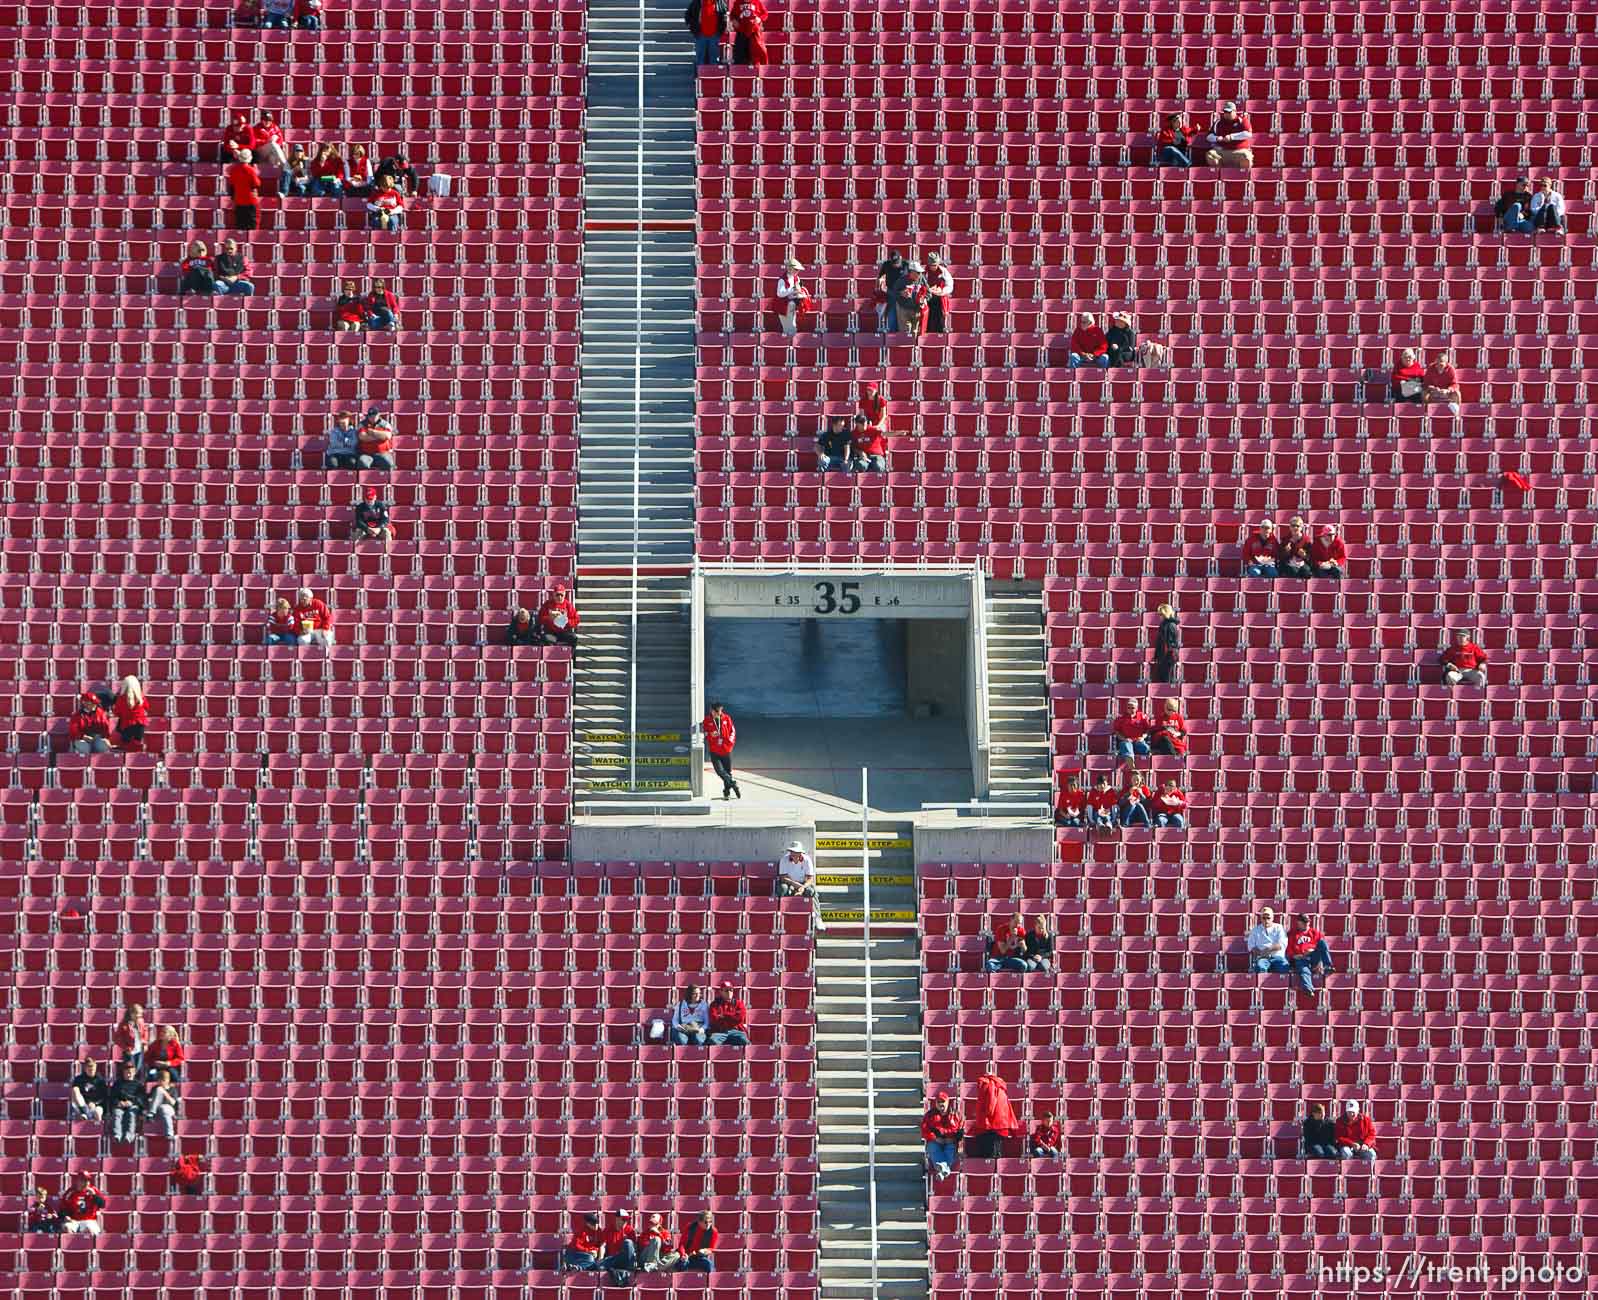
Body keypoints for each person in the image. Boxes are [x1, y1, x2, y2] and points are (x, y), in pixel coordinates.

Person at [966, 1072, 1020, 1159]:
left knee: (990, 1154)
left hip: (993, 1125)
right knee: (997, 1151)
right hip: (1002, 1124)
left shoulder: (987, 1085)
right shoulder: (999, 1086)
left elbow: (990, 1104)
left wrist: (983, 1115)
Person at [1286, 911, 1335, 996]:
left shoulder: (1315, 933)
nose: (1307, 924)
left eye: (1308, 922)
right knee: (1304, 969)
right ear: (1298, 922)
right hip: (1300, 958)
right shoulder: (1292, 933)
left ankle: (1328, 966)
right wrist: (1294, 956)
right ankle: (1308, 989)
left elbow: (1322, 948)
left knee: (1322, 943)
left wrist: (1314, 953)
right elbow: (1288, 948)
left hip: (1313, 957)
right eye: (1304, 922)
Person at [702, 702, 740, 800]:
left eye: (720, 711)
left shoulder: (726, 718)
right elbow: (703, 733)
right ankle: (733, 784)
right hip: (715, 751)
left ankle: (726, 793)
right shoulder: (707, 720)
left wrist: (730, 745)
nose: (719, 713)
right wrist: (710, 734)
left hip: (726, 750)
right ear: (712, 710)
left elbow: (733, 731)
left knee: (727, 772)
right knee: (719, 771)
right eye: (717, 711)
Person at [922, 1091, 963, 1180]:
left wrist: (952, 1139)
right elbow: (925, 1130)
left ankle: (942, 1170)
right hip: (936, 1142)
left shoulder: (956, 1115)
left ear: (948, 1102)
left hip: (950, 1142)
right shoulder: (929, 1115)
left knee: (950, 1149)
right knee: (932, 1147)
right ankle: (945, 1170)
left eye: (943, 1102)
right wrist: (935, 1138)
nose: (941, 1104)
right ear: (935, 1103)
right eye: (938, 1102)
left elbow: (960, 1131)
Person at [1202, 100, 1253, 167]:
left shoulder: (1242, 121)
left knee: (1246, 157)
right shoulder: (1219, 122)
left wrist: (1232, 137)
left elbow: (1248, 134)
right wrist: (1217, 138)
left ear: (1235, 111)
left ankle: (1242, 175)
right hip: (1223, 151)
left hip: (1239, 151)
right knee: (1210, 154)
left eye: (1229, 112)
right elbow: (1209, 136)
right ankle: (1219, 173)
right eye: (1225, 112)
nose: (1227, 114)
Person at [110, 1060, 148, 1143]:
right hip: (120, 1105)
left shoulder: (138, 1085)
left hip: (133, 1105)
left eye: (130, 1072)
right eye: (126, 1072)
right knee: (117, 1113)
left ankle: (129, 1136)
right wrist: (118, 1103)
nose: (128, 1074)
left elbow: (141, 1099)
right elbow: (112, 1096)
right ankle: (117, 1135)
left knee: (131, 1113)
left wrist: (131, 1102)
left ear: (134, 1073)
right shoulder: (118, 1083)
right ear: (123, 1072)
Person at [226, 148, 263, 231]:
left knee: (241, 224)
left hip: (238, 200)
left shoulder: (234, 170)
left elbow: (231, 184)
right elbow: (257, 184)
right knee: (253, 223)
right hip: (250, 200)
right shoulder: (250, 170)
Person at [773, 255, 810, 336]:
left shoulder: (797, 278)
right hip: (782, 306)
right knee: (787, 328)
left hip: (791, 305)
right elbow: (780, 294)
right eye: (796, 269)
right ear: (790, 269)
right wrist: (792, 289)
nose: (797, 271)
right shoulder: (782, 280)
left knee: (792, 326)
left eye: (798, 270)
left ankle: (791, 343)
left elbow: (798, 289)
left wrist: (801, 294)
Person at [1247, 906, 1289, 974]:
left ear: (1272, 918)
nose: (1266, 920)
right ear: (1261, 918)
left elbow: (1282, 944)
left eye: (1268, 918)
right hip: (1263, 957)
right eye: (1264, 918)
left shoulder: (1279, 928)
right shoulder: (1255, 930)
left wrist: (1268, 950)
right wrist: (1261, 953)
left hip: (1277, 956)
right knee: (1260, 967)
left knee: (1284, 967)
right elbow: (1251, 946)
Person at [1110, 696, 1153, 762]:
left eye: (1132, 708)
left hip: (1138, 741)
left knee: (1145, 747)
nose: (1130, 709)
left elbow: (1147, 730)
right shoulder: (1121, 718)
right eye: (1128, 708)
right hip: (1127, 741)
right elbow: (1117, 732)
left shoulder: (1142, 716)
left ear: (1136, 708)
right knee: (1126, 745)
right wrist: (1124, 739)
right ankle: (1131, 765)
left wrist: (1143, 737)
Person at [685, 0, 727, 65]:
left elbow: (725, 15)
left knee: (714, 58)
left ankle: (714, 74)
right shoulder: (697, 2)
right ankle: (700, 74)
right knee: (700, 58)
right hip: (700, 34)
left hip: (714, 35)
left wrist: (721, 29)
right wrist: (692, 27)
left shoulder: (720, 2)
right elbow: (688, 15)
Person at [708, 981, 750, 1046]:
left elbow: (739, 1018)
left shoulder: (739, 1003)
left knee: (744, 1040)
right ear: (721, 992)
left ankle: (743, 1056)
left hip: (735, 1031)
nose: (729, 992)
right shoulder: (714, 1004)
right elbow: (714, 1019)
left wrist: (723, 1015)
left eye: (731, 990)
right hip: (720, 1032)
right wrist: (732, 1017)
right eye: (726, 990)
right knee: (712, 1041)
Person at [111, 676, 148, 748]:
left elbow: (116, 712)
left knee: (125, 747)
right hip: (140, 726)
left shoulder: (121, 698)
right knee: (137, 746)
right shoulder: (141, 698)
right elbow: (146, 707)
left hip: (126, 726)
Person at [596, 1210, 637, 1275]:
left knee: (628, 1242)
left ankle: (630, 1268)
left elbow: (633, 1248)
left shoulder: (630, 1230)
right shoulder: (608, 1230)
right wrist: (600, 1259)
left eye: (626, 1220)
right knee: (600, 1265)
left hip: (625, 1259)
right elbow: (603, 1245)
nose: (625, 1222)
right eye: (623, 1219)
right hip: (613, 1259)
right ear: (617, 1219)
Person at [69, 1058, 108, 1125]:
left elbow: (104, 1097)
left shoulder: (100, 1080)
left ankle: (97, 1132)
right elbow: (75, 1095)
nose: (91, 1068)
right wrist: (87, 1103)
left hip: (97, 1105)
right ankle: (86, 1113)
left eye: (92, 1066)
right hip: (83, 1105)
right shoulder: (79, 1079)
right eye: (88, 1066)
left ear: (95, 1067)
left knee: (97, 1113)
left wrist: (95, 1103)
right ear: (85, 1068)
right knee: (75, 1089)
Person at [892, 262, 928, 336]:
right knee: (905, 333)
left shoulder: (922, 279)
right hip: (904, 310)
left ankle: (914, 347)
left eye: (920, 272)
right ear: (911, 272)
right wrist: (901, 293)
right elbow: (893, 293)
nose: (919, 274)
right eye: (918, 272)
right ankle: (905, 347)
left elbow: (929, 293)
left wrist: (924, 298)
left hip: (917, 310)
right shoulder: (901, 281)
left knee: (915, 333)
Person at [875, 249, 906, 331]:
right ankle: (893, 337)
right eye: (894, 263)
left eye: (897, 263)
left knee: (903, 319)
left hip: (903, 295)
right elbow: (880, 277)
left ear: (901, 258)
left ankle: (903, 337)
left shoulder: (907, 265)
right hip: (891, 293)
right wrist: (880, 282)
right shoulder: (886, 264)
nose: (895, 265)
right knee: (892, 317)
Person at [730, 0, 769, 64]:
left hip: (754, 34)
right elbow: (732, 15)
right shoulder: (737, 3)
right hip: (741, 33)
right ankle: (740, 72)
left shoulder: (757, 2)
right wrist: (734, 21)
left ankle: (754, 71)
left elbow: (765, 14)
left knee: (755, 55)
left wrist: (760, 19)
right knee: (739, 56)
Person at [923, 251, 953, 333]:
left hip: (939, 300)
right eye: (931, 265)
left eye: (935, 265)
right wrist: (928, 289)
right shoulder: (923, 272)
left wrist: (942, 290)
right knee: (928, 322)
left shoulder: (943, 271)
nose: (933, 267)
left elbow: (950, 285)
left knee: (939, 323)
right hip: (928, 300)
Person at [1276, 515, 1313, 581]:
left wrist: (1305, 556)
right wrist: (1286, 552)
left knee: (1307, 573)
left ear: (1301, 527)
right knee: (1293, 572)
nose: (1295, 528)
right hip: (1289, 563)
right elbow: (1280, 556)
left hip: (1302, 563)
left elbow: (1311, 557)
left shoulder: (1306, 540)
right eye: (1293, 526)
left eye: (1297, 526)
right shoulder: (1285, 540)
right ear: (1290, 527)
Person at [1150, 602, 1180, 684]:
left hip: (1167, 657)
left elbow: (1171, 643)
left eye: (1161, 614)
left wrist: (1164, 656)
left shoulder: (1170, 625)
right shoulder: (1164, 625)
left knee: (1166, 679)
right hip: (1163, 656)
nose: (1159, 616)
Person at [113, 1002, 148, 1070]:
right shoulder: (124, 1024)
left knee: (138, 1069)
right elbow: (116, 1038)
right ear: (132, 1014)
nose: (139, 1016)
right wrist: (126, 1047)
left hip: (139, 1050)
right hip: (129, 1051)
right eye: (138, 1014)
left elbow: (145, 1032)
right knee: (130, 1069)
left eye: (140, 1015)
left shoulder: (141, 1021)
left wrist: (145, 1043)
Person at [147, 1067, 178, 1136]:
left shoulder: (173, 1089)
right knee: (158, 1090)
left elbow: (173, 1102)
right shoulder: (155, 1088)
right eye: (159, 1080)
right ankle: (169, 1133)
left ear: (168, 1080)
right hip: (157, 1109)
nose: (161, 1082)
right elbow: (149, 1099)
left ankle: (169, 1133)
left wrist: (164, 1092)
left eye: (163, 1080)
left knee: (164, 1108)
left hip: (169, 1109)